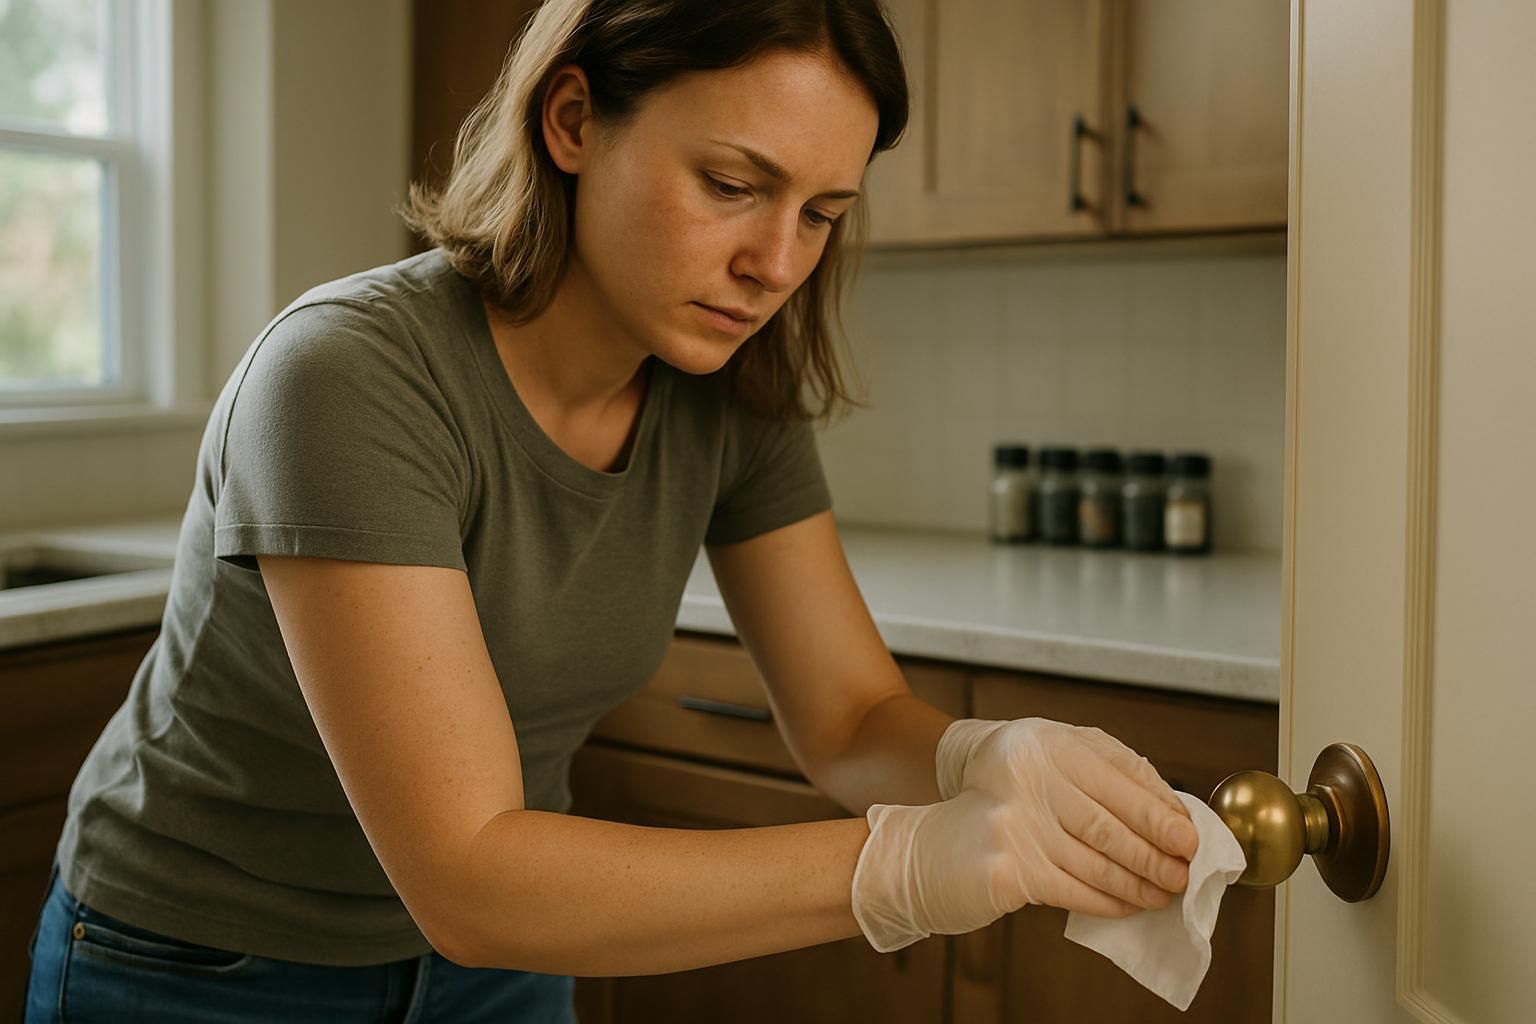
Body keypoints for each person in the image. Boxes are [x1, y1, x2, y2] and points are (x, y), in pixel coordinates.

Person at [23, 1, 1199, 1020]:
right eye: (734, 186)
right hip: (205, 965)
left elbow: (848, 718)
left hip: (506, 967)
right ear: (573, 120)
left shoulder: (730, 395)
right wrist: (902, 864)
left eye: (822, 212)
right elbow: (471, 872)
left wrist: (978, 755)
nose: (776, 262)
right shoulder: (345, 379)